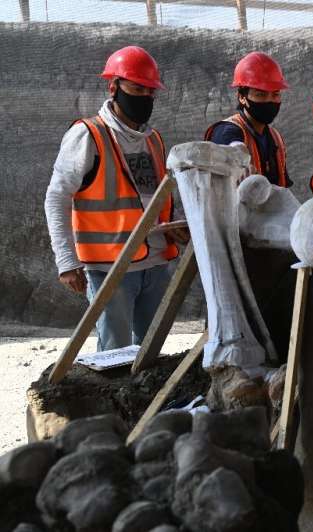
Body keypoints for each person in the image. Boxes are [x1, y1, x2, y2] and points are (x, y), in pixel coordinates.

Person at [44, 45, 187, 351]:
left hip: (156, 263)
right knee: (114, 356)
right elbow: (57, 197)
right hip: (110, 268)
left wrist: (174, 226)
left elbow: (151, 200)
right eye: (137, 88)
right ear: (114, 87)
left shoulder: (153, 139)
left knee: (150, 353)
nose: (145, 97)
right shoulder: (88, 135)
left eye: (150, 91)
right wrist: (66, 261)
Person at [205, 51, 292, 188]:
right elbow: (230, 149)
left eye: (275, 94)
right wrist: (237, 157)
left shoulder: (276, 138)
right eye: (260, 95)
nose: (269, 101)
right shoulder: (227, 131)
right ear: (242, 97)